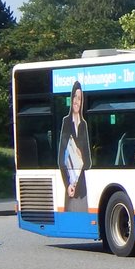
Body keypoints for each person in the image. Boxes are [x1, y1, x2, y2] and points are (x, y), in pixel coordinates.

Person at [57, 81, 91, 213]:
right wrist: (67, 184)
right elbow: (61, 159)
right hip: (71, 187)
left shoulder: (84, 125)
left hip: (82, 189)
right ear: (71, 99)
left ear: (82, 102)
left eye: (79, 98)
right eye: (75, 97)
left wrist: (82, 156)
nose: (77, 101)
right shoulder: (66, 122)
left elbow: (88, 163)